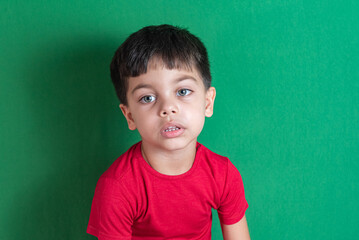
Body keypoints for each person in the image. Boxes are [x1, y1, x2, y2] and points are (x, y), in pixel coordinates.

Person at [87, 24, 250, 240]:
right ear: (130, 116)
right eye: (148, 98)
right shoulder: (117, 187)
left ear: (208, 102)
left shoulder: (223, 174)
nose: (167, 108)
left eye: (183, 91)